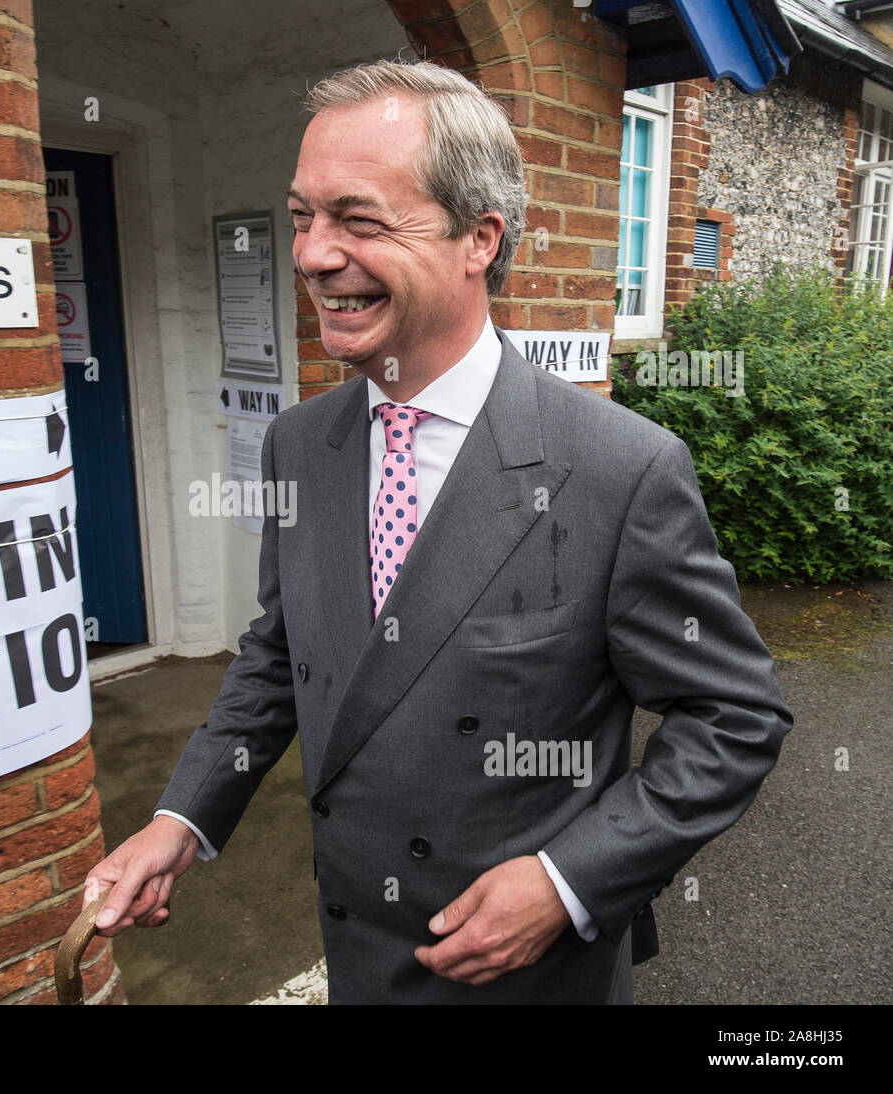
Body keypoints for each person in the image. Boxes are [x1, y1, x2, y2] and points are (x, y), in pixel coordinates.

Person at [82, 58, 792, 1004]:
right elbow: (279, 653)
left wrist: (567, 882)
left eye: (357, 219)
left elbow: (734, 716)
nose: (313, 255)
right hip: (361, 961)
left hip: (528, 979)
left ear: (479, 239)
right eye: (303, 217)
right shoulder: (301, 445)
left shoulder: (621, 470)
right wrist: (183, 816)